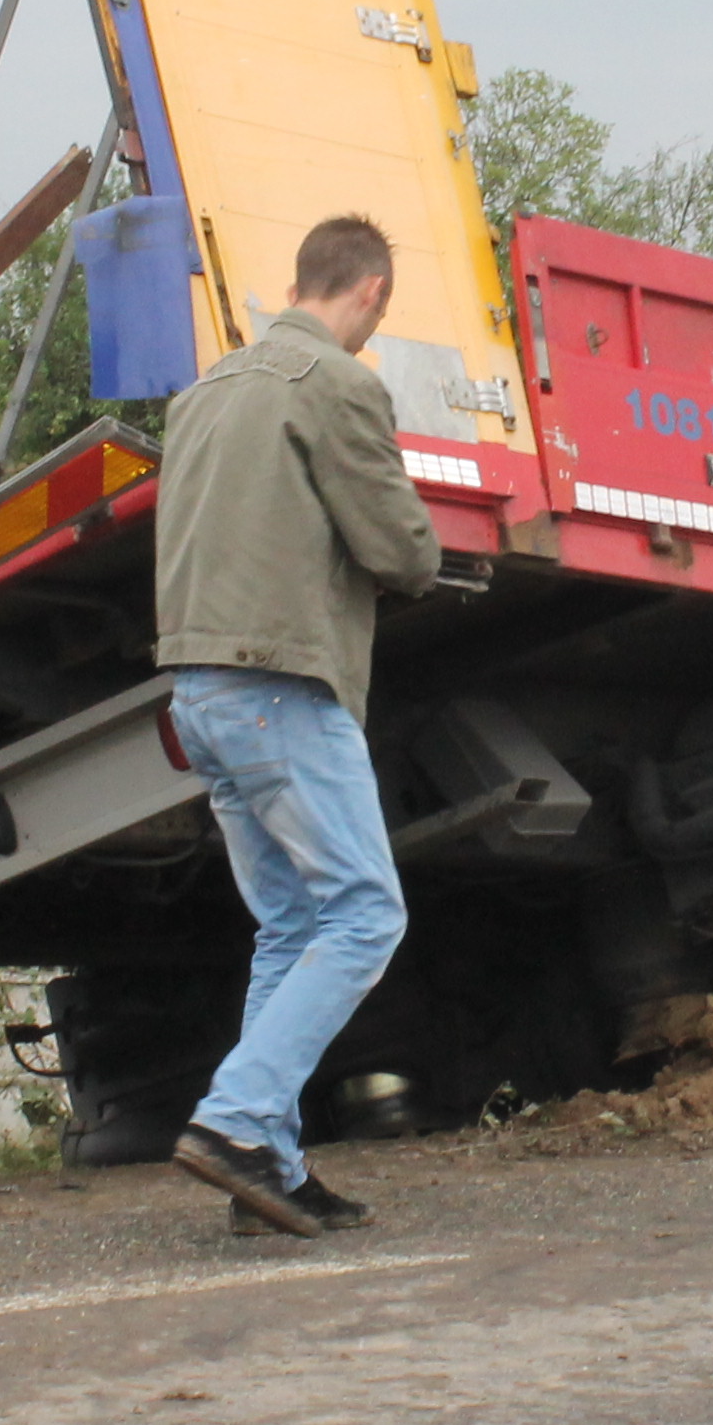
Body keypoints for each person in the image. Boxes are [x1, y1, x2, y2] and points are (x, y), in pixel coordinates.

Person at [152, 212, 445, 1236]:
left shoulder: (203, 393)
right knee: (366, 911)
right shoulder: (337, 384)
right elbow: (401, 549)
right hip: (283, 685)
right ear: (369, 292)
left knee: (290, 924)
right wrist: (432, 555)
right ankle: (236, 1121)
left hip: (199, 689)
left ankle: (265, 1166)